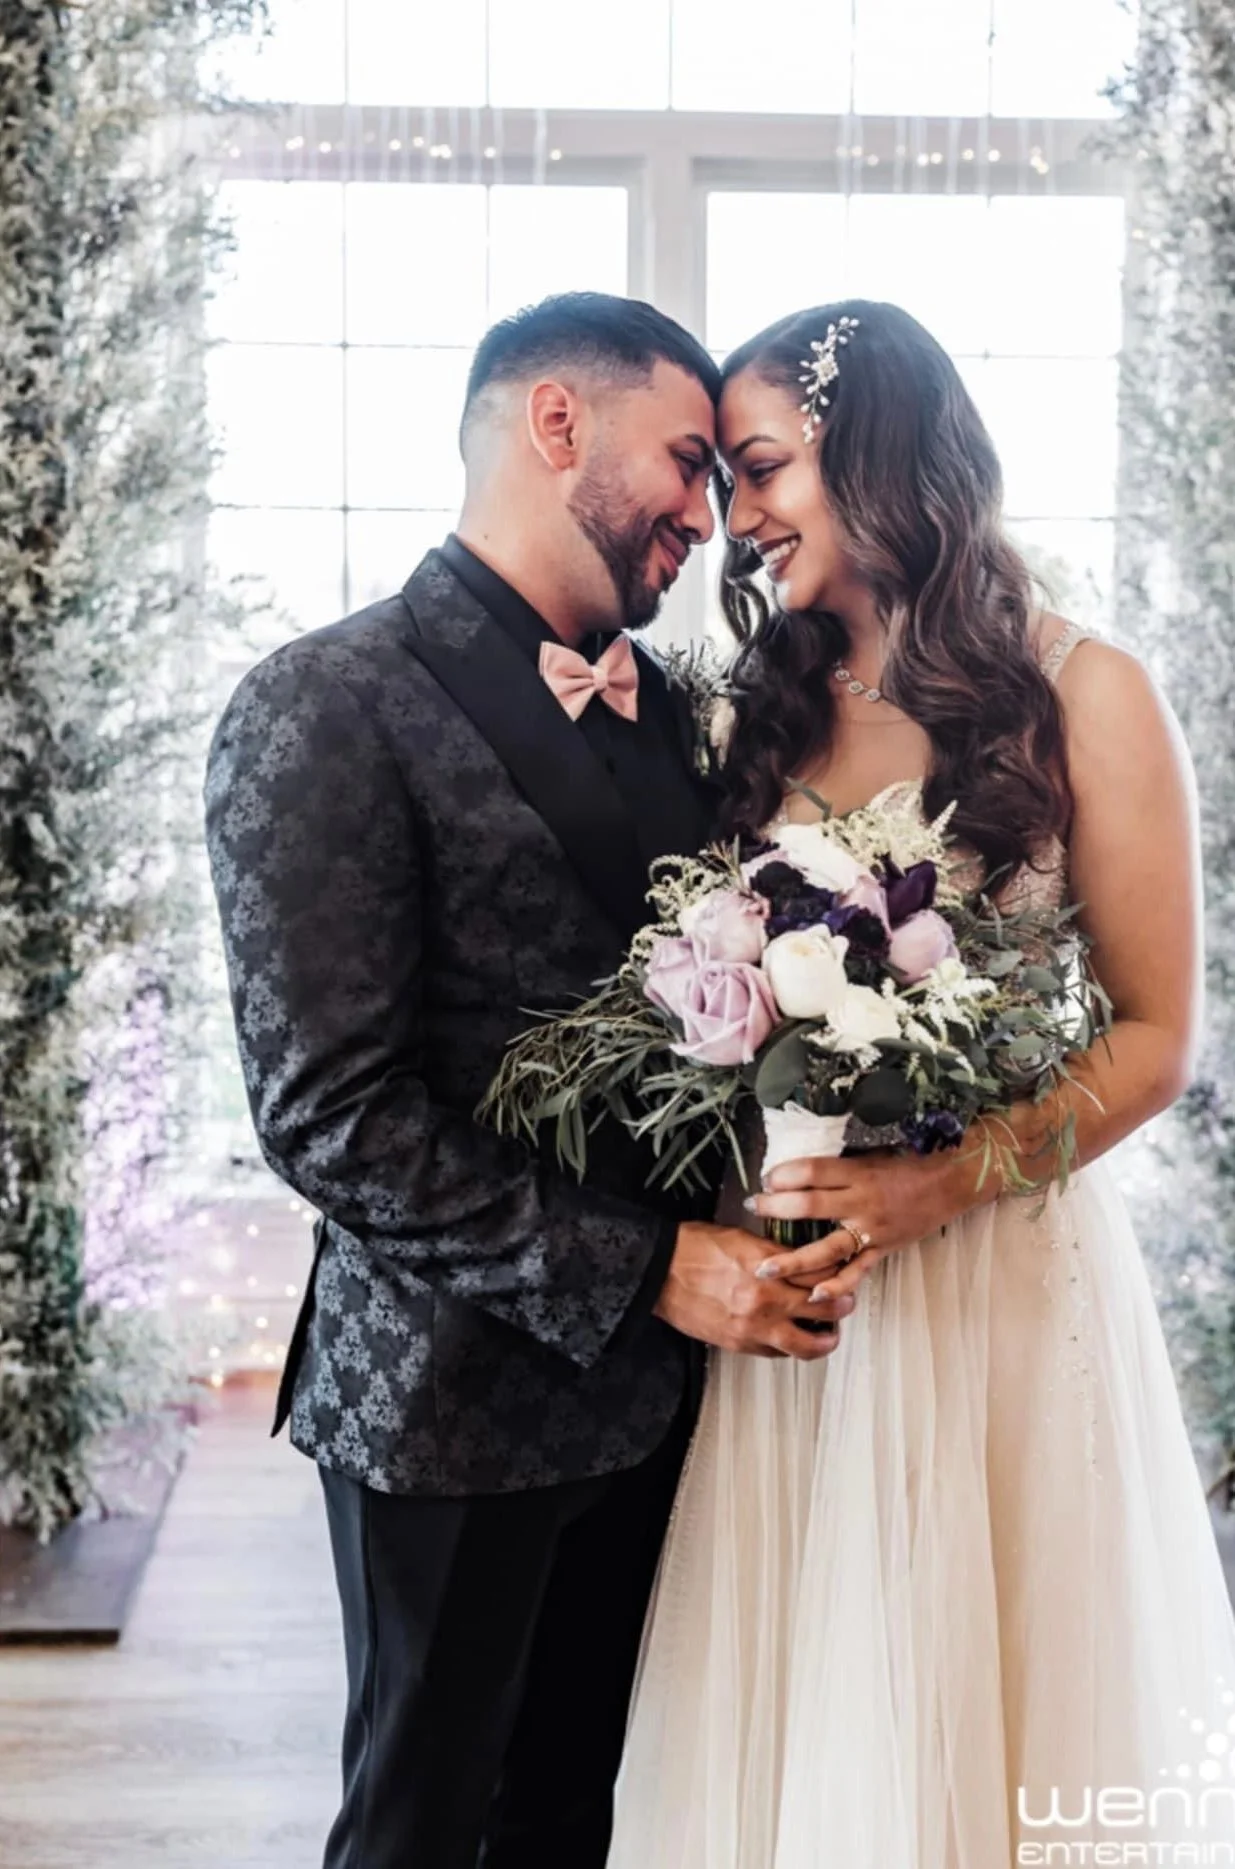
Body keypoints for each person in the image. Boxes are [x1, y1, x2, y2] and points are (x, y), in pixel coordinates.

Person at [204, 291, 850, 1869]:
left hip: (653, 1411)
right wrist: (653, 1276)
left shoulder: (684, 723)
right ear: (555, 424)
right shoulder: (322, 703)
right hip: (442, 1408)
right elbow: (328, 1116)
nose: (705, 519)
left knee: (571, 1817)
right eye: (687, 464)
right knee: (421, 1825)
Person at [608, 299, 1235, 1867]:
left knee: (1004, 1709)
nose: (735, 519)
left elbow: (1158, 1035)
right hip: (800, 1303)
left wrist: (935, 1184)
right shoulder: (750, 703)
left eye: (760, 469)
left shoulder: (1085, 691)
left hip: (997, 1284)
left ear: (872, 453)